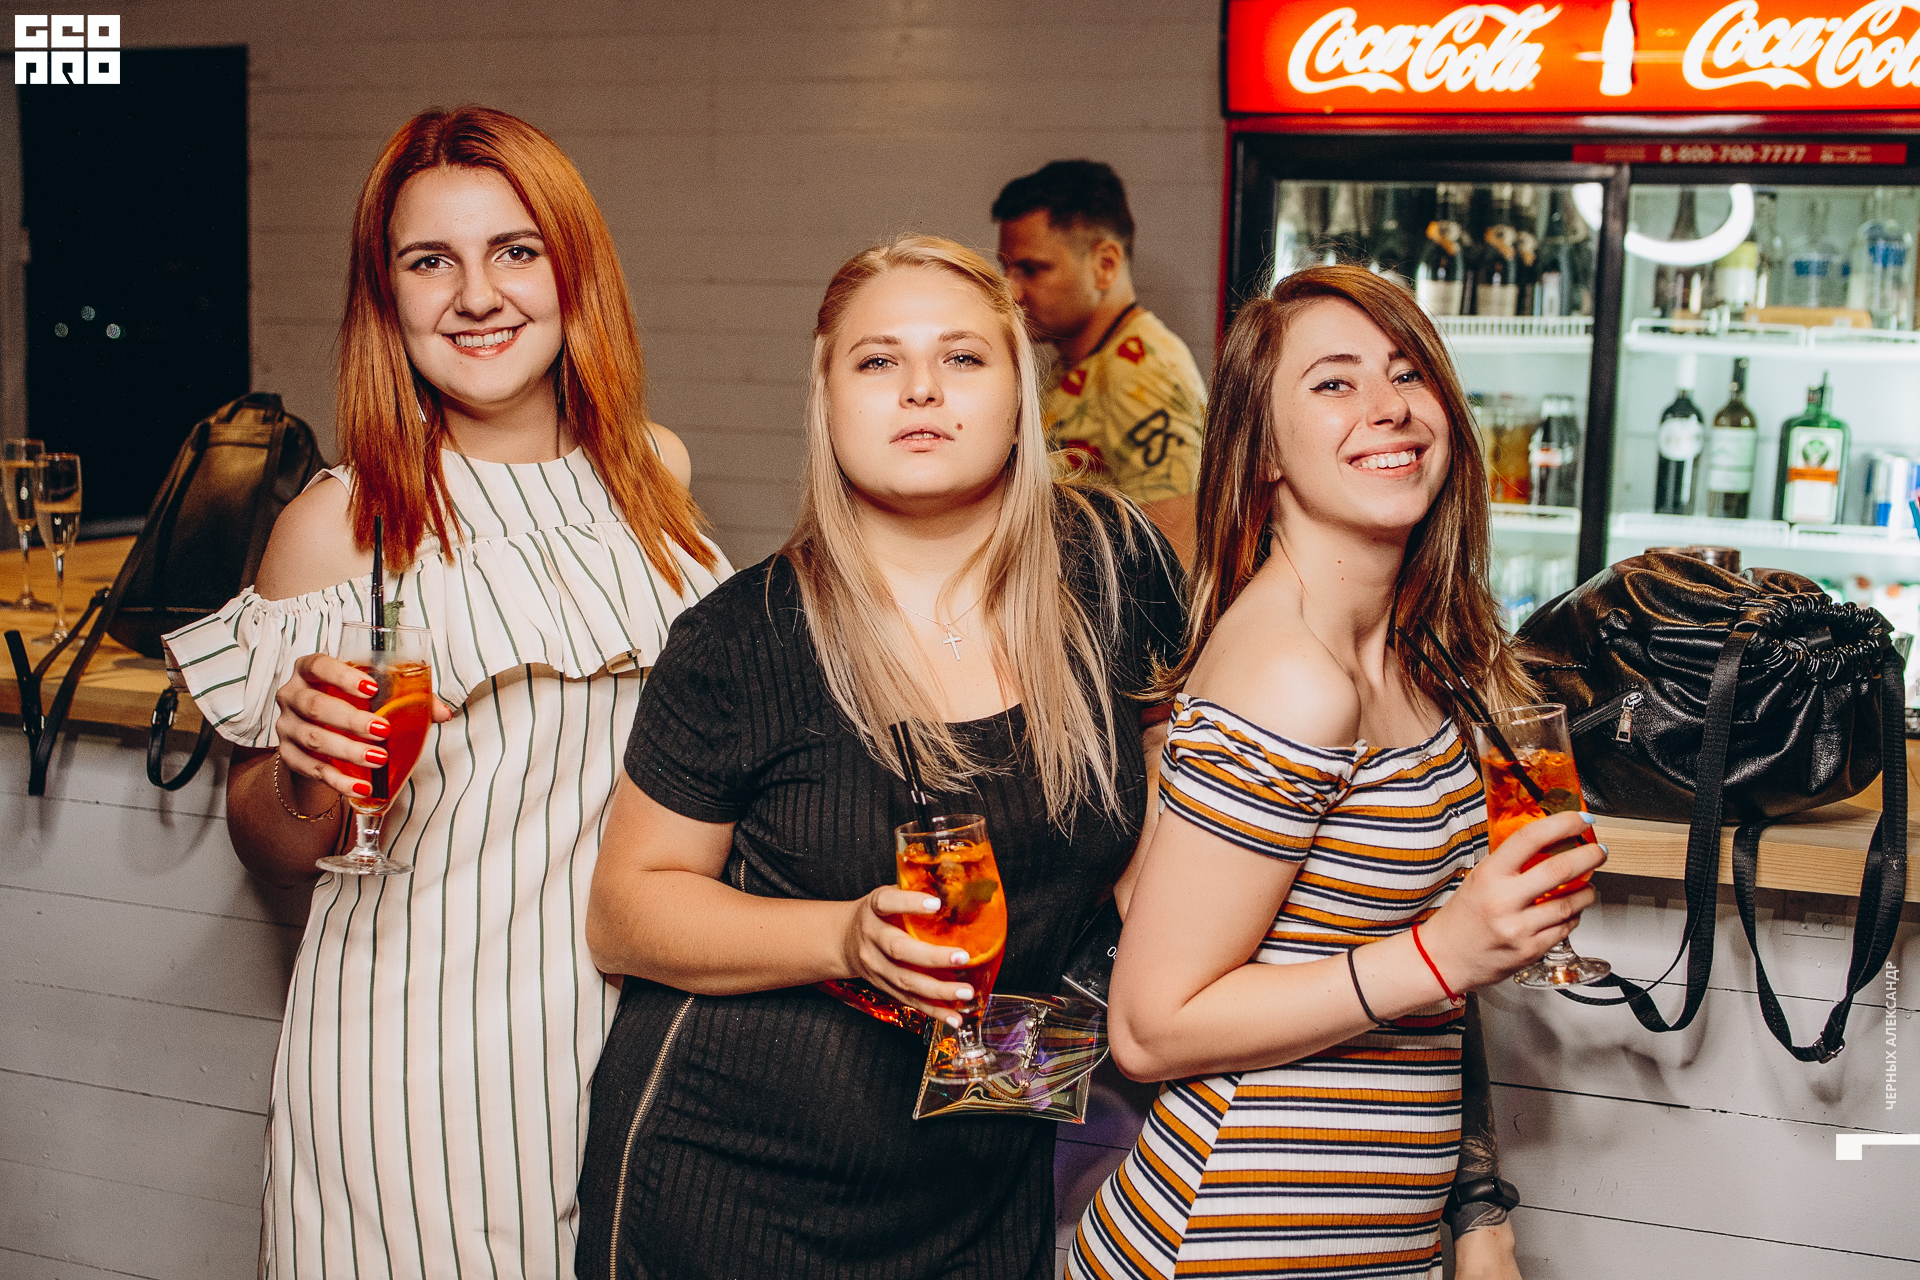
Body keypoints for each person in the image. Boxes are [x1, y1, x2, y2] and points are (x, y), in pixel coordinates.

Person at [162, 106, 727, 1278]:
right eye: (431, 261)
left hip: (630, 1044)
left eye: (514, 250)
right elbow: (270, 843)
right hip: (420, 1060)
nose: (477, 295)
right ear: (389, 295)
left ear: (573, 270)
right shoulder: (343, 519)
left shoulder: (652, 474)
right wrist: (304, 769)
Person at [574, 235, 1185, 1279]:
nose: (920, 389)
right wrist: (844, 935)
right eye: (877, 360)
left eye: (962, 357)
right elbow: (623, 913)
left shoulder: (1115, 567)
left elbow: (1167, 806)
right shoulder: (745, 635)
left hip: (981, 1177)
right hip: (730, 1189)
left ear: (1021, 396)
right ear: (828, 401)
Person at [1069, 265, 1604, 1280]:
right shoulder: (1291, 673)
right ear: (1264, 449)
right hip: (1234, 1239)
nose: (1387, 406)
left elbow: (1424, 985)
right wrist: (1447, 949)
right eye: (1333, 382)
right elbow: (1148, 1028)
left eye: (1407, 372)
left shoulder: (1422, 652)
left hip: (1371, 1234)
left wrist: (1476, 1210)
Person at [993, 159, 1206, 565]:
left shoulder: (1141, 373)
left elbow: (1176, 560)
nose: (1011, 291)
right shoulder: (1081, 359)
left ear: (1105, 265)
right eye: (1007, 268)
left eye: (1031, 270)